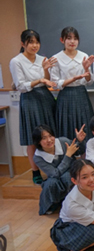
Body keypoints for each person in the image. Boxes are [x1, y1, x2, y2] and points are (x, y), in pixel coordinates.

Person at [9, 29, 57, 185]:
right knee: (32, 138)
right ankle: (35, 172)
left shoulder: (42, 59)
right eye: (31, 42)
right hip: (29, 100)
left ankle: (52, 169)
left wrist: (45, 71)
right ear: (23, 44)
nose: (34, 45)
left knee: (50, 136)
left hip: (45, 98)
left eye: (37, 42)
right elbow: (20, 86)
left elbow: (48, 80)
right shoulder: (16, 61)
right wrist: (40, 80)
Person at [50, 26, 94, 141]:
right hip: (65, 96)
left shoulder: (84, 56)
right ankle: (69, 156)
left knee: (84, 126)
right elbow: (55, 83)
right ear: (62, 40)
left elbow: (89, 81)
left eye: (75, 38)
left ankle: (84, 157)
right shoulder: (56, 58)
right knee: (67, 128)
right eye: (69, 38)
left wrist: (86, 71)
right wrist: (73, 78)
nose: (72, 41)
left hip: (81, 94)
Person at [33, 124, 86, 215]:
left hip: (71, 171)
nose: (49, 140)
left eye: (50, 136)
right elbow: (55, 173)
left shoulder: (63, 141)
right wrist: (67, 156)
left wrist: (80, 141)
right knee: (50, 183)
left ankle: (77, 204)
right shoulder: (38, 157)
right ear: (38, 142)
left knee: (67, 177)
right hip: (55, 177)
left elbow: (79, 151)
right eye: (44, 138)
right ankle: (52, 204)